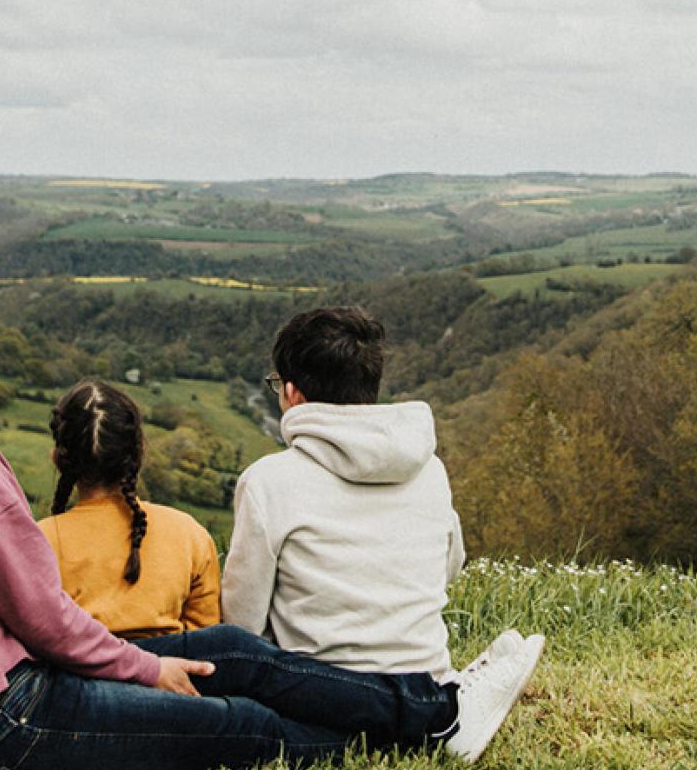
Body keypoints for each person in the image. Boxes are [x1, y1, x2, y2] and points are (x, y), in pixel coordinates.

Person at [0, 297, 540, 770]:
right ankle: (432, 722)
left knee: (232, 650)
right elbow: (40, 615)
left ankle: (427, 708)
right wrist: (146, 667)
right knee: (238, 726)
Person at [219, 306, 544, 718]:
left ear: (292, 394)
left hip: (315, 693)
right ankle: (446, 699)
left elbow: (243, 620)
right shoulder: (429, 469)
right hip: (424, 672)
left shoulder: (268, 480)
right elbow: (450, 564)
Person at [39, 380, 220, 638]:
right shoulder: (189, 533)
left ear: (57, 458)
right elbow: (206, 644)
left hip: (77, 673)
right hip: (169, 675)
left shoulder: (38, 541)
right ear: (139, 452)